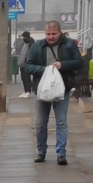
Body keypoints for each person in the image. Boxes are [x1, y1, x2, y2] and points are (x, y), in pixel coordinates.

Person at [24, 20, 84, 165]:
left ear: (60, 32)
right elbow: (28, 65)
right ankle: (41, 151)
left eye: (53, 34)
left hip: (62, 88)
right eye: (48, 34)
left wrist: (62, 65)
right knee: (40, 122)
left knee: (61, 122)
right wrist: (44, 69)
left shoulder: (69, 44)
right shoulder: (37, 46)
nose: (50, 37)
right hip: (42, 88)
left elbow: (79, 62)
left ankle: (61, 153)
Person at [15, 31, 35, 97]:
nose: (23, 38)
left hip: (27, 63)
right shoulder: (24, 43)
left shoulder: (31, 43)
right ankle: (25, 90)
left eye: (24, 37)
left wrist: (28, 61)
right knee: (23, 78)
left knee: (27, 78)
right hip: (22, 63)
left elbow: (31, 53)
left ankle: (28, 91)